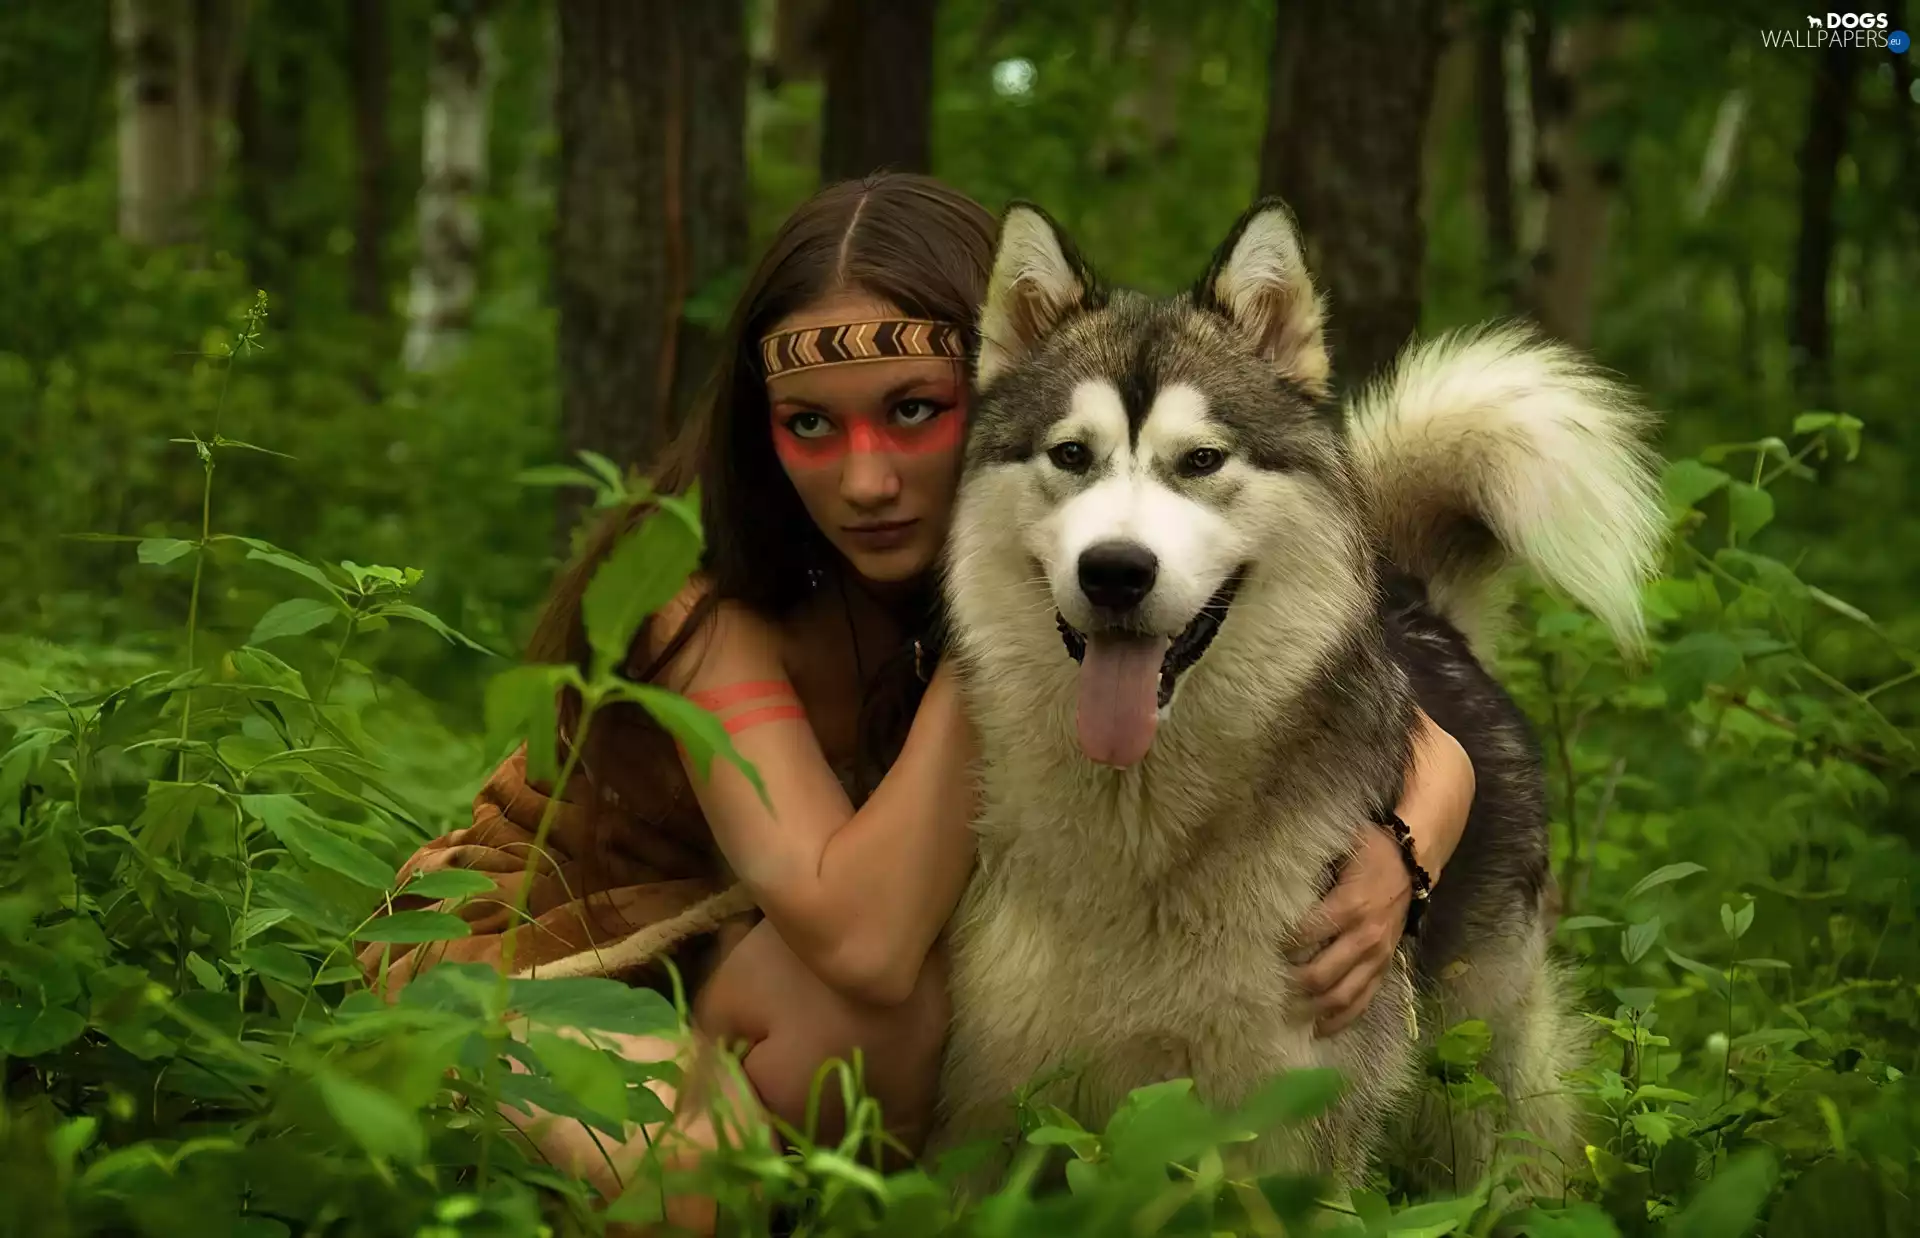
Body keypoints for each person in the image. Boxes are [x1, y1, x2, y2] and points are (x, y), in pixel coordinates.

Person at [360, 173, 1479, 1230]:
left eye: (911, 411)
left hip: (752, 959)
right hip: (547, 958)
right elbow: (863, 938)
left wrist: (1403, 850)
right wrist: (997, 646)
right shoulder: (710, 611)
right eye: (811, 423)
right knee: (740, 1139)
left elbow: (1414, 738)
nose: (866, 478)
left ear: (990, 379)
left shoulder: (1041, 541)